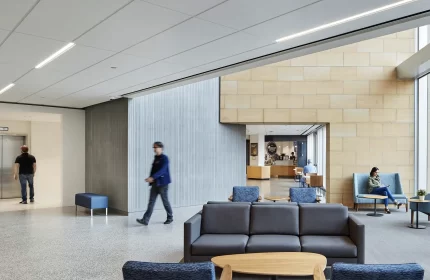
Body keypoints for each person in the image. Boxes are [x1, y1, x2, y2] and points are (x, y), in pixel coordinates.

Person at [137, 142, 173, 225]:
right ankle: (145, 220)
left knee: (165, 201)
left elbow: (162, 171)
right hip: (155, 184)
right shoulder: (156, 158)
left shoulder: (165, 158)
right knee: (151, 202)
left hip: (163, 184)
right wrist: (151, 179)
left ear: (161, 148)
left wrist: (152, 177)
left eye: (156, 147)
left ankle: (170, 217)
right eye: (153, 147)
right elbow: (153, 170)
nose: (154, 149)